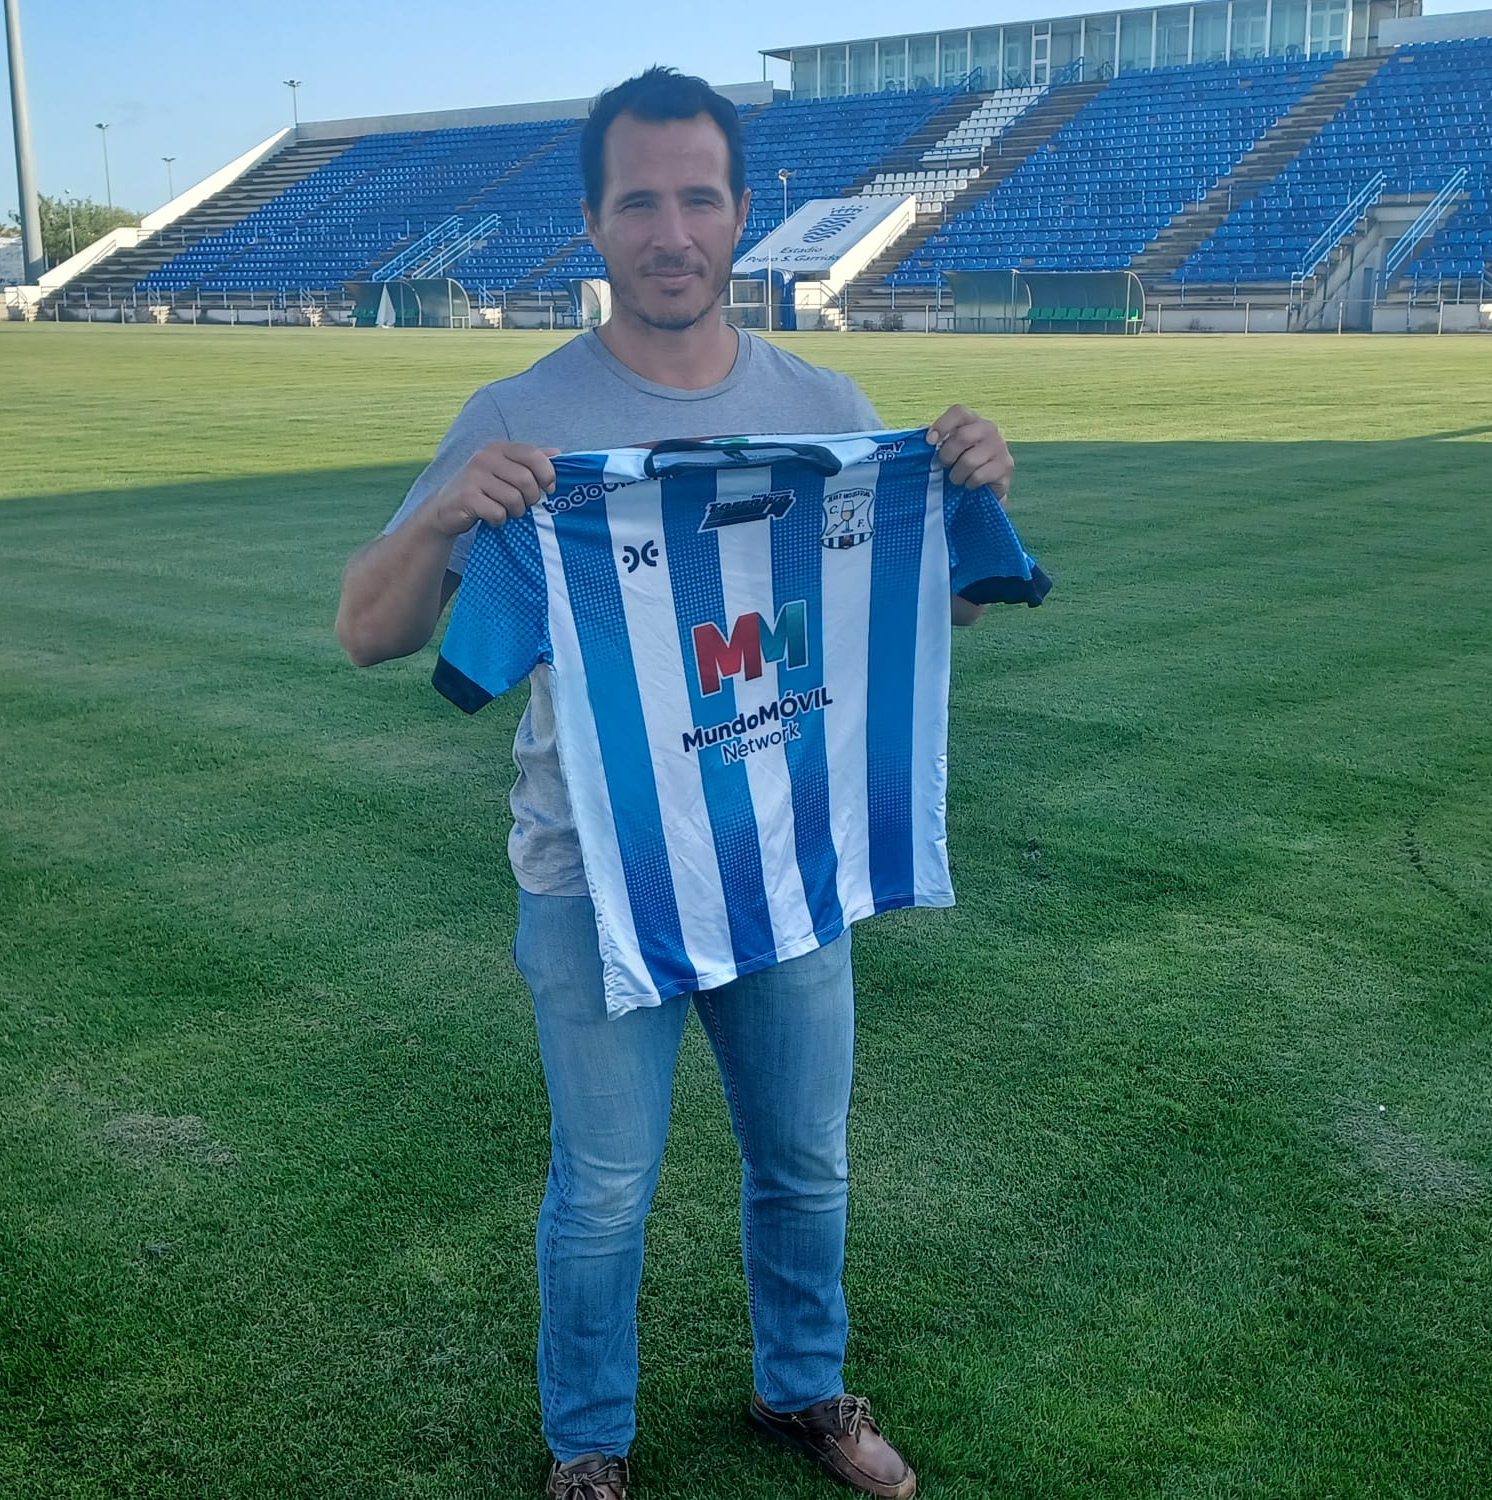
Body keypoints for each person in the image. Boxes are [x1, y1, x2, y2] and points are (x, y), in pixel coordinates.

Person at [336, 66, 1016, 1500]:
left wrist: (962, 483)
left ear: (741, 216)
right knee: (601, 1193)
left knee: (807, 1165)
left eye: (697, 198)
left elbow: (923, 610)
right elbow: (368, 632)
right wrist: (457, 510)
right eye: (638, 200)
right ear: (594, 223)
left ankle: (805, 1392)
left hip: (784, 854)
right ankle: (589, 1444)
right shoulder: (522, 413)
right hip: (596, 878)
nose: (670, 230)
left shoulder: (824, 401)